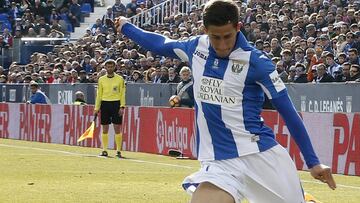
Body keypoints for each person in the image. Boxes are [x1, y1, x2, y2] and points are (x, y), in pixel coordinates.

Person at [115, 1, 336, 202]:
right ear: (205, 30)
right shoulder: (195, 48)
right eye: (215, 37)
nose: (222, 45)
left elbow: (288, 113)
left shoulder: (257, 63)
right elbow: (160, 43)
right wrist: (126, 26)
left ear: (238, 27)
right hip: (219, 162)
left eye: (227, 36)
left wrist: (313, 161)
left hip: (261, 157)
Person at [94, 59, 126, 158]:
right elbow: (99, 94)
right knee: (105, 128)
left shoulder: (120, 79)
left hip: (116, 104)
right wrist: (97, 107)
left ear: (115, 67)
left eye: (112, 66)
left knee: (117, 128)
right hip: (104, 103)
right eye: (108, 66)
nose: (110, 68)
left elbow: (122, 93)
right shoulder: (101, 79)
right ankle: (104, 150)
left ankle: (118, 151)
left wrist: (122, 106)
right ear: (105, 67)